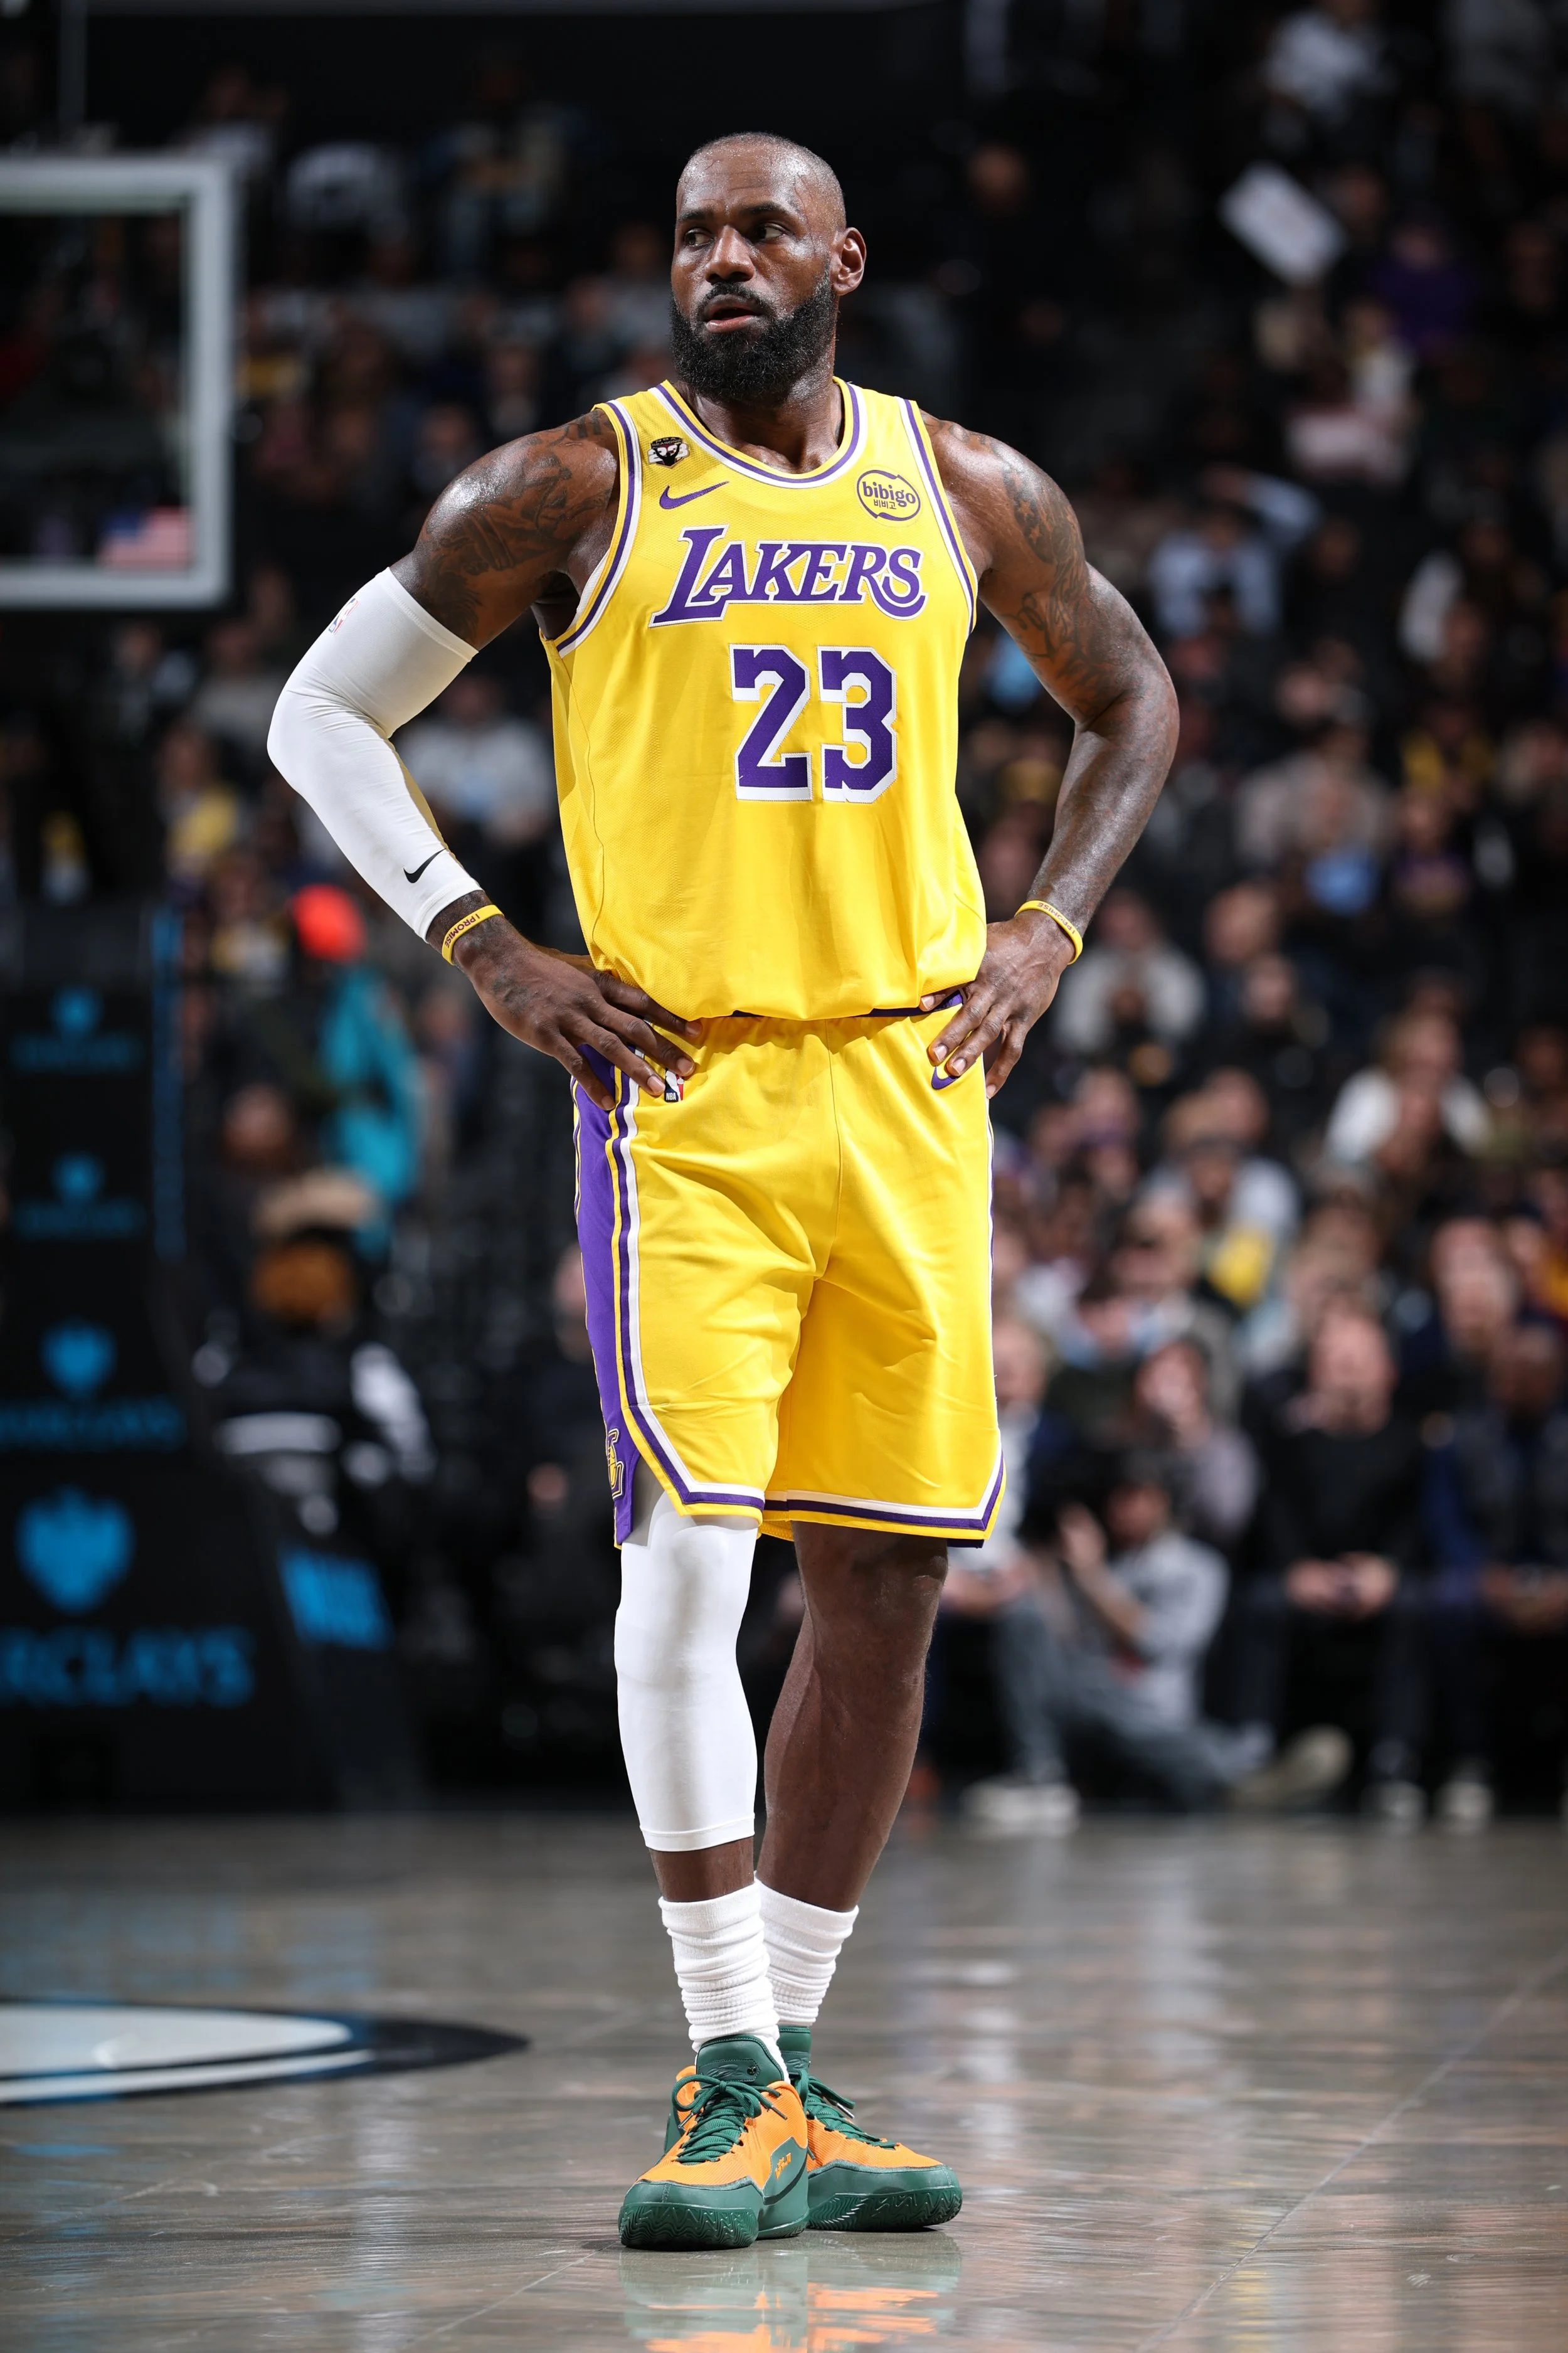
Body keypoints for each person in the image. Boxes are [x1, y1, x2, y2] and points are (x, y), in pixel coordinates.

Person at [268, 132, 1176, 2250]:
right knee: (684, 1567)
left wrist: (1048, 925)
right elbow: (322, 714)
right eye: (692, 234)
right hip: (689, 1087)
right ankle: (725, 2070)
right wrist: (483, 944)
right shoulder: (569, 486)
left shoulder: (965, 487)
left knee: (885, 1591)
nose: (722, 260)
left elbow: (1131, 696)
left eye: (763, 228)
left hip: (916, 1084)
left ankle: (790, 2066)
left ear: (844, 258)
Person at [963, 1457, 1274, 1825]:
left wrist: (1092, 1576)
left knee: (1182, 1747)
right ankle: (1038, 1774)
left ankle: (1244, 1779)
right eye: (1115, 1497)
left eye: (1133, 1496)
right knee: (1025, 1620)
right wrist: (1043, 1573)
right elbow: (1060, 1644)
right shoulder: (1100, 1555)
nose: (1120, 1509)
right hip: (1084, 1706)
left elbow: (1155, 1642)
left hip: (1150, 1713)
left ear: (1162, 1500)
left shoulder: (1197, 1567)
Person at [1231, 1304, 1425, 1821]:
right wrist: (1297, 1569)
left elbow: (1416, 1522)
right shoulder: (1291, 1444)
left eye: (1361, 1359)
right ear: (1315, 1371)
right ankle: (1252, 1750)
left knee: (1414, 1608)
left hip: (1382, 1583)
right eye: (1337, 1360)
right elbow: (1274, 1516)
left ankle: (1394, 1761)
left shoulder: (1409, 1443)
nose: (1350, 1371)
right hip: (1309, 1581)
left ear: (1388, 1370)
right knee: (1261, 1602)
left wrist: (1388, 1570)